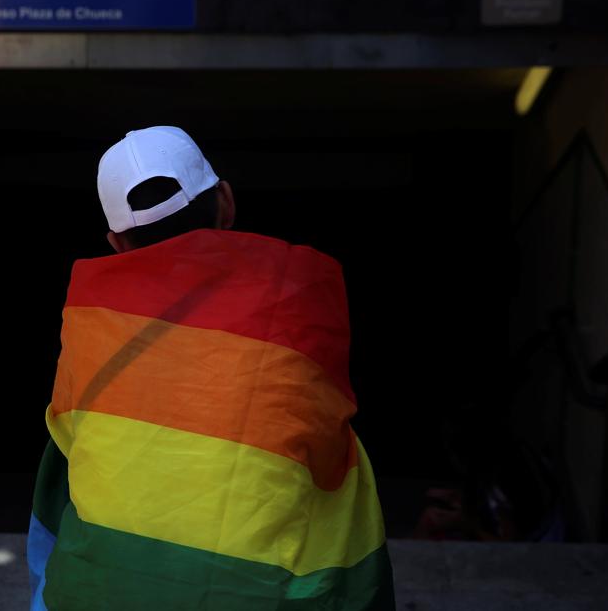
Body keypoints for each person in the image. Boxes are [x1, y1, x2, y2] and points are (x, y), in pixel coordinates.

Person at [27, 126, 394, 610]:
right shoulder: (299, 292)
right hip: (262, 597)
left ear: (115, 243)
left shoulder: (89, 320)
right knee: (337, 457)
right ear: (226, 200)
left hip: (95, 596)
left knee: (66, 448)